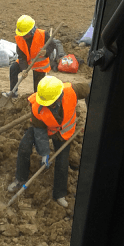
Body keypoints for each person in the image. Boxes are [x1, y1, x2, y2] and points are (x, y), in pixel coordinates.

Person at [8, 76, 90, 207]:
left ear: (59, 95)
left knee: (62, 160)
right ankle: (20, 179)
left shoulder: (72, 91)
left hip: (63, 132)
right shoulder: (37, 106)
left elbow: (91, 87)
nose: (46, 105)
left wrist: (93, 111)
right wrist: (45, 153)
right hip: (43, 128)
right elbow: (40, 132)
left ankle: (59, 194)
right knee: (24, 146)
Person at [3, 15, 56, 97]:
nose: (23, 37)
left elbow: (52, 44)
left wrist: (46, 52)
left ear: (31, 31)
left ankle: (37, 99)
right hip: (27, 60)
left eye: (25, 34)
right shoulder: (20, 38)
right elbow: (21, 56)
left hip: (39, 63)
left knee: (37, 88)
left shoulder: (43, 34)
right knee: (13, 68)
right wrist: (24, 69)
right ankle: (13, 93)